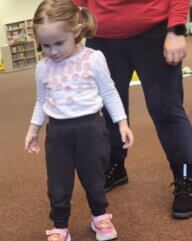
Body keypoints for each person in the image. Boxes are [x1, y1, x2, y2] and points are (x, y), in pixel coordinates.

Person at [25, 0, 133, 241]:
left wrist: (122, 123)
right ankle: (60, 227)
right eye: (45, 46)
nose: (52, 51)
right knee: (58, 184)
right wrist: (33, 129)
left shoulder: (94, 59)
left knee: (95, 178)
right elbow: (42, 100)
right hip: (58, 133)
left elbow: (109, 93)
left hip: (91, 129)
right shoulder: (42, 67)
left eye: (58, 43)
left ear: (76, 31)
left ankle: (100, 216)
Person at [75, 0, 192, 219]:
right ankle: (116, 166)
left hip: (153, 29)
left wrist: (176, 28)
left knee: (165, 109)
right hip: (102, 36)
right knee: (108, 109)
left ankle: (185, 177)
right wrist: (77, 26)